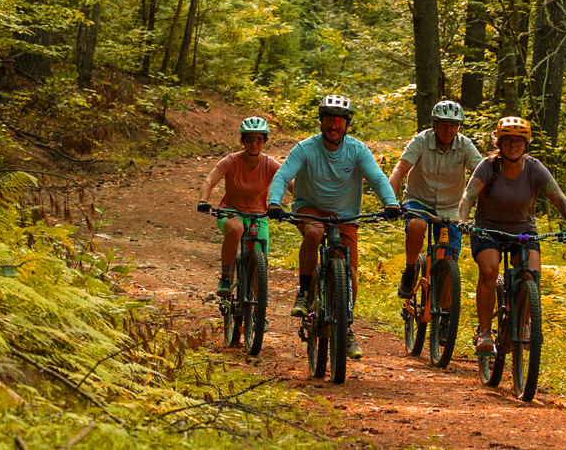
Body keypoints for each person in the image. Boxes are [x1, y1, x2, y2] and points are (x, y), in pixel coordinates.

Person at [266, 94, 399, 359]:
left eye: (339, 120)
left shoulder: (357, 150)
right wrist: (274, 202)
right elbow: (283, 175)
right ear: (321, 122)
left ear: (347, 124)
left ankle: (346, 326)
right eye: (329, 119)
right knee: (314, 232)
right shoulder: (305, 148)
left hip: (345, 216)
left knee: (348, 272)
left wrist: (391, 202)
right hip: (310, 208)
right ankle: (304, 292)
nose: (334, 125)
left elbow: (377, 177)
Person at [458, 116, 566, 353]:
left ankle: (526, 325)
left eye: (518, 141)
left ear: (526, 144)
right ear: (499, 143)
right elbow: (468, 196)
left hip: (523, 231)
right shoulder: (488, 166)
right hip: (488, 229)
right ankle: (484, 333)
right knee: (488, 270)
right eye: (507, 141)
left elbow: (558, 197)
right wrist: (463, 221)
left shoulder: (534, 168)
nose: (513, 145)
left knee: (531, 275)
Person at [387, 100, 483, 299]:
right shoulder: (421, 141)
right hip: (418, 200)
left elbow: (483, 175)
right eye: (444, 124)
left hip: (451, 207)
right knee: (416, 225)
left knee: (449, 262)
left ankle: (446, 315)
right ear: (435, 125)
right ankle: (410, 269)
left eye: (453, 125)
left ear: (458, 127)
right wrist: (391, 201)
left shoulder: (465, 145)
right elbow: (399, 171)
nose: (449, 130)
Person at [196, 117, 283, 299]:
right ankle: (226, 278)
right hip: (230, 212)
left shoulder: (269, 163)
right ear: (242, 141)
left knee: (259, 266)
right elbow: (209, 181)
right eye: (249, 139)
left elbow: (290, 183)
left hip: (258, 216)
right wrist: (204, 201)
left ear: (264, 141)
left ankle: (258, 312)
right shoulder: (232, 161)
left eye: (258, 139)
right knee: (236, 229)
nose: (254, 143)